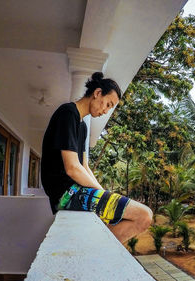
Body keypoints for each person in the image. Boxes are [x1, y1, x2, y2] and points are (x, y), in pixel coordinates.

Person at [41, 72, 152, 243]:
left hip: (76, 192)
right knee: (144, 216)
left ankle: (97, 244)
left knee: (134, 215)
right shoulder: (67, 113)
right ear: (98, 93)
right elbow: (72, 168)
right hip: (66, 195)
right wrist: (103, 193)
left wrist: (102, 192)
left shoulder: (82, 126)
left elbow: (83, 166)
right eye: (108, 104)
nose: (106, 111)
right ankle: (98, 246)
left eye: (110, 108)